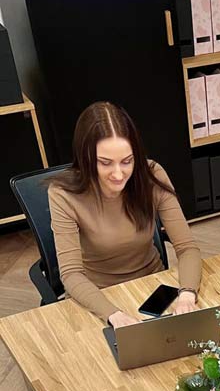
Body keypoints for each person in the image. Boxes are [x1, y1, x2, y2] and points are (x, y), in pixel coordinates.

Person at [48, 102, 202, 329]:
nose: (119, 174)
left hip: (151, 286)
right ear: (85, 157)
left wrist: (188, 294)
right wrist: (113, 315)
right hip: (97, 295)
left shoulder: (152, 176)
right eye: (105, 163)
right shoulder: (62, 194)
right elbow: (71, 274)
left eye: (127, 161)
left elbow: (187, 247)